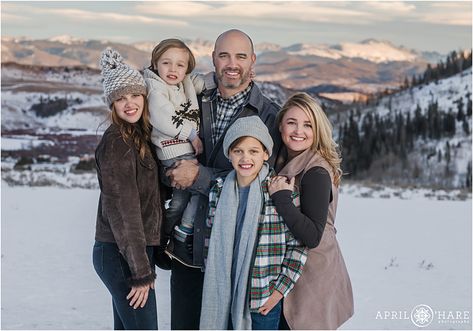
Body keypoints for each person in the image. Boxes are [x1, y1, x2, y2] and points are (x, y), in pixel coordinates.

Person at [165, 29, 281, 329]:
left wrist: (199, 177)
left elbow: (259, 180)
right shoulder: (190, 100)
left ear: (252, 61)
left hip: (235, 249)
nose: (232, 63)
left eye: (241, 56)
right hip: (188, 246)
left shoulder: (268, 116)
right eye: (224, 55)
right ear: (213, 59)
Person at [200, 116, 307, 330]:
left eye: (253, 151)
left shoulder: (279, 192)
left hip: (262, 297)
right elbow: (210, 238)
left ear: (266, 154)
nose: (245, 158)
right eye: (238, 150)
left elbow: (298, 246)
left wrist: (278, 292)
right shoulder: (218, 190)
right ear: (229, 154)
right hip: (223, 293)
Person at [268, 92, 354, 330]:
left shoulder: (315, 171)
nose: (298, 131)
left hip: (312, 274)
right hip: (294, 269)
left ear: (317, 130)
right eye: (292, 122)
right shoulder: (284, 160)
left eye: (308, 125)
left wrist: (282, 199)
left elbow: (313, 235)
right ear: (281, 125)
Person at [92, 47, 163, 330]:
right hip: (121, 255)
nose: (129, 103)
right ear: (112, 104)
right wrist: (141, 272)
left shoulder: (138, 137)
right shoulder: (118, 143)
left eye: (135, 95)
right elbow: (124, 211)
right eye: (121, 98)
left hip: (130, 253)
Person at [143, 39, 205, 266]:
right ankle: (167, 238)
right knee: (187, 198)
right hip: (172, 152)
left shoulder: (185, 83)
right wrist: (192, 135)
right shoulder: (155, 88)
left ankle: (177, 235)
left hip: (186, 152)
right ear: (155, 64)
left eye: (180, 65)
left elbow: (201, 83)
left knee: (190, 196)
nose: (173, 69)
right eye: (166, 63)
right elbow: (162, 117)